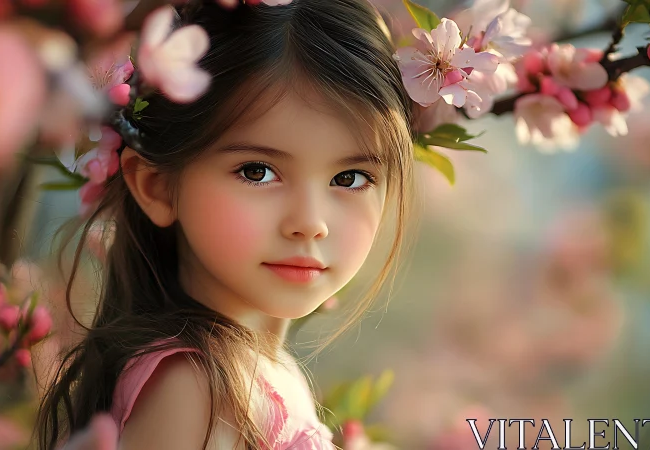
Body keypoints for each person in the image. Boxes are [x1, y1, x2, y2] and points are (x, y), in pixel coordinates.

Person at [36, 0, 417, 448]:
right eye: (257, 171)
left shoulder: (254, 373)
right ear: (157, 187)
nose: (310, 223)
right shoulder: (195, 391)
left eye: (350, 178)